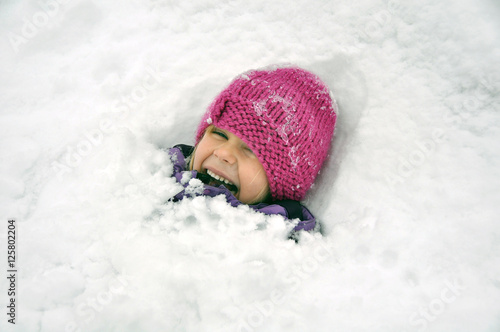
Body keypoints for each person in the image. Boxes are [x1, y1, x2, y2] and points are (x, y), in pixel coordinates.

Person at [167, 65, 337, 232]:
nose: (223, 153)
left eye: (250, 150)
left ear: (280, 183)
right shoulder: (154, 176)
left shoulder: (277, 245)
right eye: (220, 135)